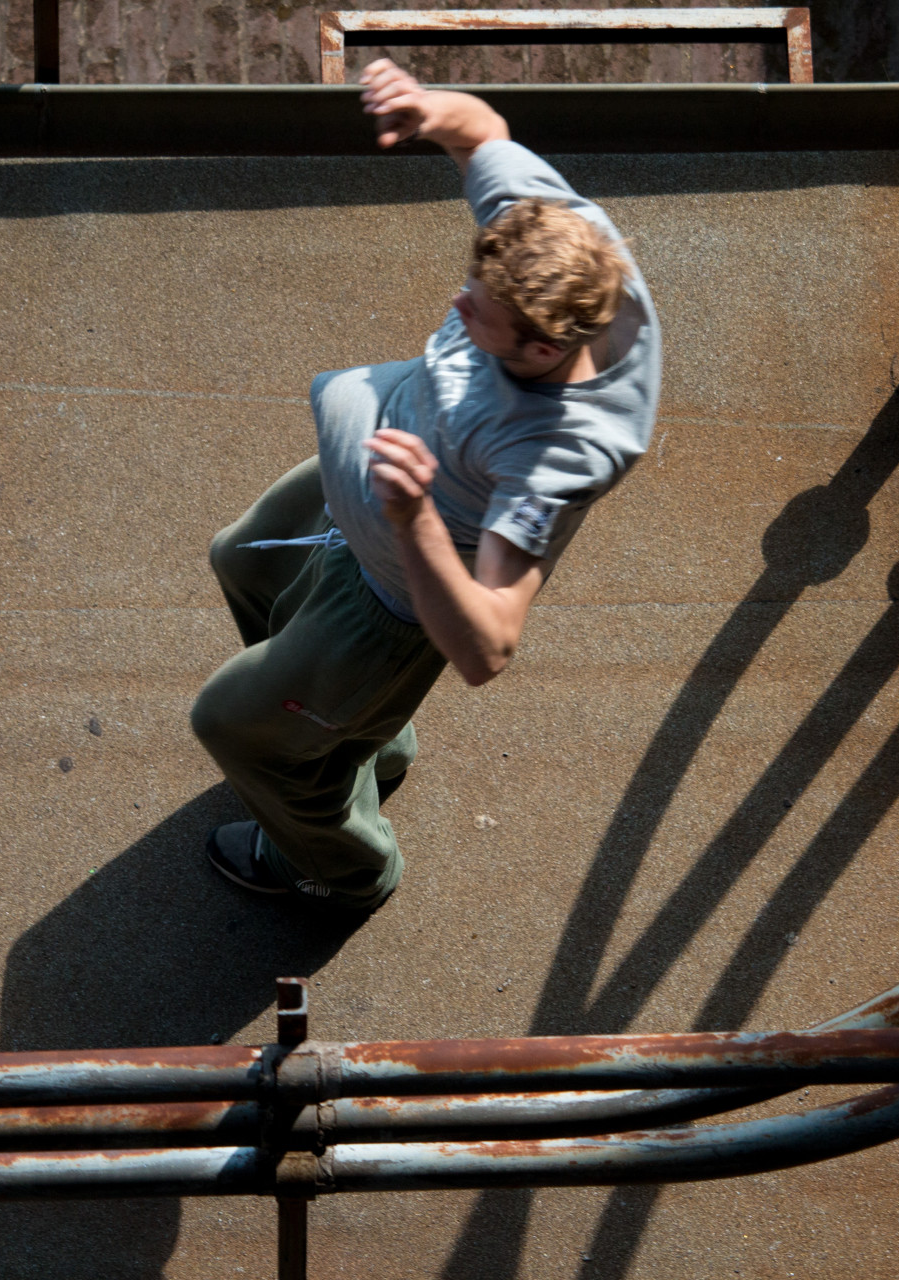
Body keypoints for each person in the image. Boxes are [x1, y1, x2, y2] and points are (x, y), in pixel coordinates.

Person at [193, 59, 661, 910]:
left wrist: (410, 518)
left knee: (231, 724)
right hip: (374, 498)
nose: (458, 303)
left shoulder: (554, 451)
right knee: (242, 561)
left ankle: (338, 867)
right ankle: (360, 737)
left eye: (479, 313)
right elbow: (482, 129)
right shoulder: (560, 239)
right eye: (473, 283)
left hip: (394, 592)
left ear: (544, 351)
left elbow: (487, 647)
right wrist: (423, 107)